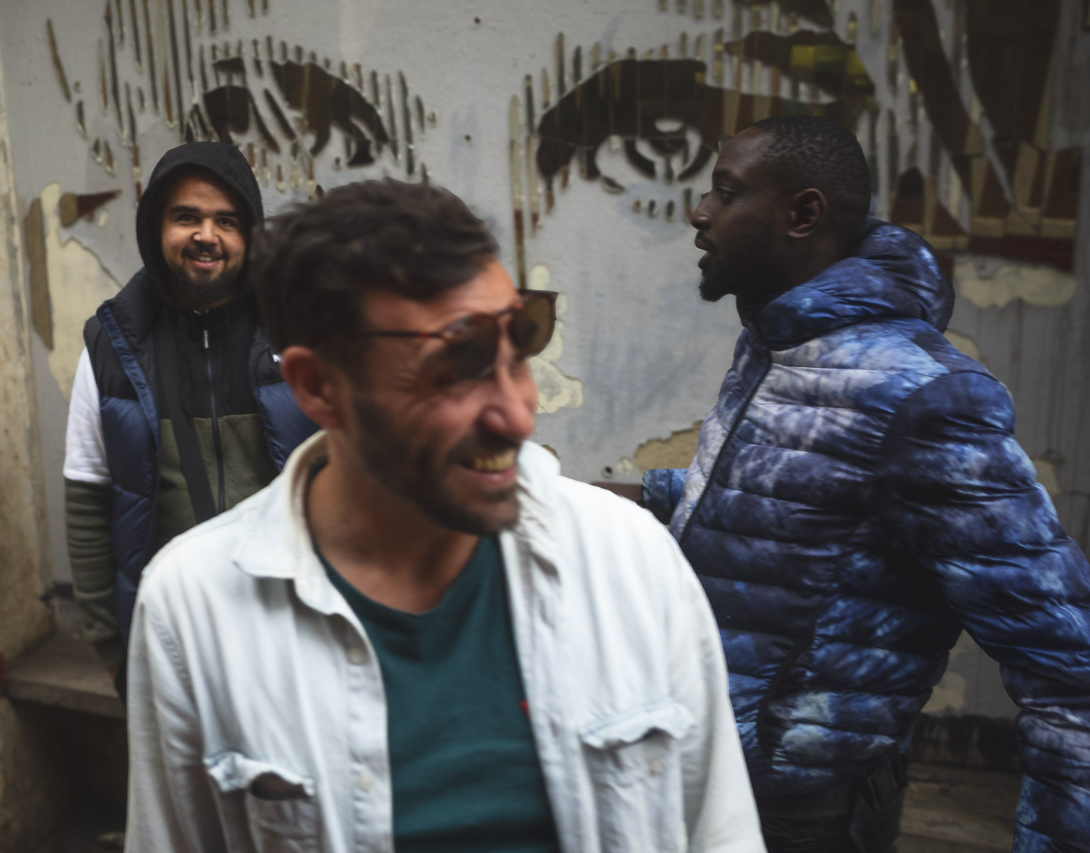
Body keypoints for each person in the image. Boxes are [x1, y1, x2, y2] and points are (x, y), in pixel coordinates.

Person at [124, 178, 764, 851]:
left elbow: (719, 829)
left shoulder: (628, 559)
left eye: (521, 342)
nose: (517, 413)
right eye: (456, 366)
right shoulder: (194, 606)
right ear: (318, 387)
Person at [644, 115, 1090, 852]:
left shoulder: (923, 394)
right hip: (713, 783)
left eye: (724, 192)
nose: (700, 212)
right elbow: (801, 508)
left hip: (802, 815)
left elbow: (1067, 661)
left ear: (803, 215)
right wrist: (630, 499)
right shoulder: (781, 342)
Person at [63, 142, 316, 692]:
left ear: (250, 234)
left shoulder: (299, 335)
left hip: (290, 632)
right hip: (170, 639)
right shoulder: (112, 349)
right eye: (187, 218)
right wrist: (110, 643)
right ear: (157, 228)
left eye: (226, 220)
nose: (207, 235)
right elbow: (87, 500)